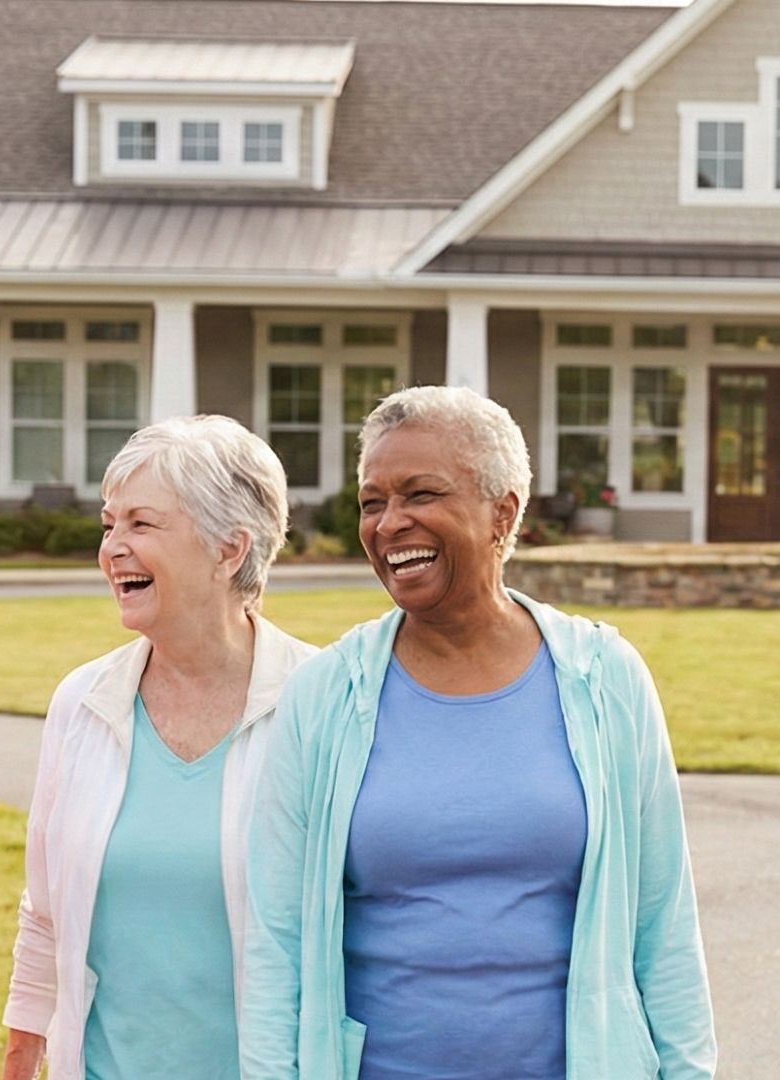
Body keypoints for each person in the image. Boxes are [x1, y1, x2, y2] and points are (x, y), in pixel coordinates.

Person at [241, 385, 716, 1079]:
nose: (389, 523)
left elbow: (663, 921)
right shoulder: (326, 694)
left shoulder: (602, 677)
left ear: (503, 513)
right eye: (374, 502)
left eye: (420, 495)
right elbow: (276, 943)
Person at [0, 415, 318, 1080]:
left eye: (141, 525)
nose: (113, 547)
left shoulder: (318, 705)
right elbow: (45, 911)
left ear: (230, 549)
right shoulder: (83, 702)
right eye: (109, 525)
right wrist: (22, 1053)